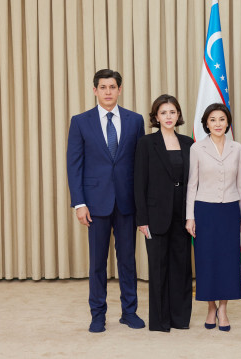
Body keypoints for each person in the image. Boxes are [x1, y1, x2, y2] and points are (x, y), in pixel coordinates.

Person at [66, 69, 145, 333]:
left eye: (112, 87)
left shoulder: (135, 121)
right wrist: (79, 203)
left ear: (120, 90)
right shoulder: (80, 122)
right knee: (97, 262)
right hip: (94, 203)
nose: (108, 91)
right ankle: (97, 314)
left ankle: (129, 312)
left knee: (127, 261)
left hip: (126, 203)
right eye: (103, 87)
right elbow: (74, 165)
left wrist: (141, 203)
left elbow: (139, 164)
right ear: (94, 90)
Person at [134, 94, 194, 332]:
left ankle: (180, 319)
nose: (168, 117)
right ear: (156, 117)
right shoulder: (146, 144)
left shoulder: (189, 143)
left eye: (172, 112)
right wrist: (142, 219)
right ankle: (160, 321)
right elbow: (139, 183)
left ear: (178, 115)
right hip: (156, 216)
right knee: (158, 269)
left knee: (181, 268)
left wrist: (193, 215)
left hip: (183, 215)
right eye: (163, 113)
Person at [185, 103, 241, 332]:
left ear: (228, 122)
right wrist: (190, 216)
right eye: (213, 120)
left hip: (229, 211)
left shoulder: (238, 148)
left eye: (222, 119)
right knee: (207, 260)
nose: (218, 124)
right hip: (205, 211)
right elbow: (192, 184)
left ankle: (223, 309)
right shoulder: (197, 148)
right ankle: (210, 308)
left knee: (227, 262)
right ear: (206, 123)